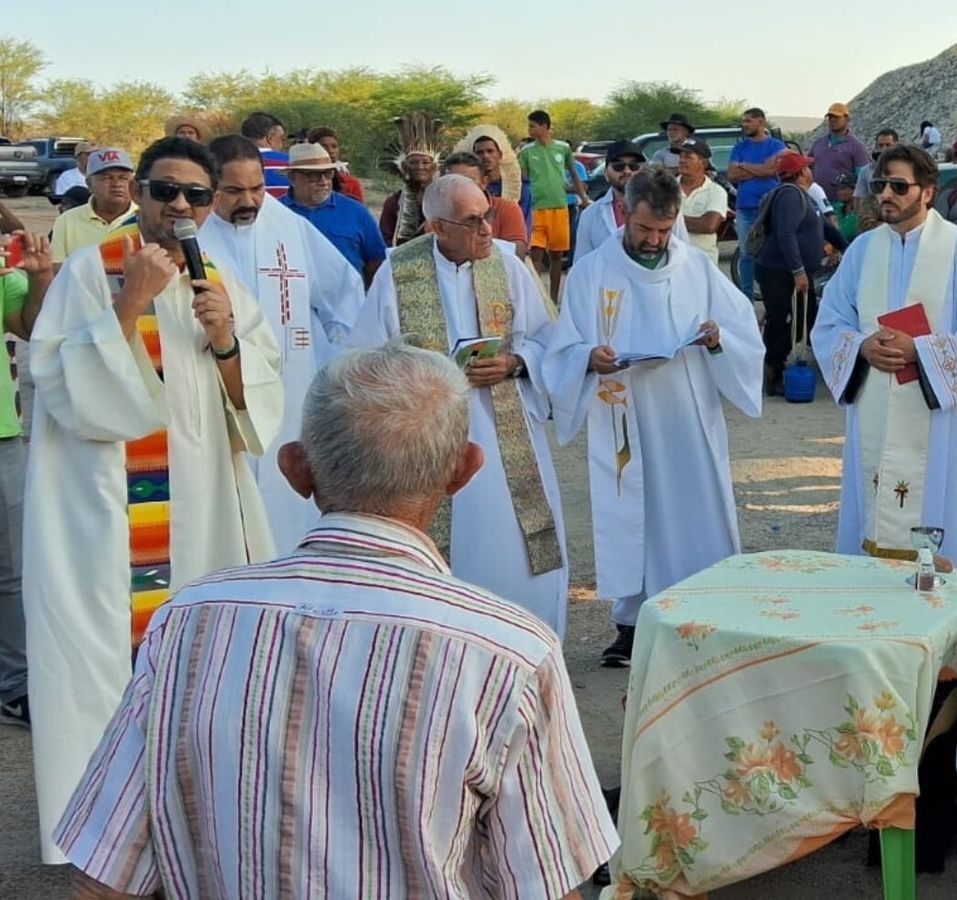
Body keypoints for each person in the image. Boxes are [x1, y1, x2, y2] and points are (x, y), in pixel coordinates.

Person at [53, 342, 618, 898]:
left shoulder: (186, 624)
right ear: (464, 470)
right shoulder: (507, 654)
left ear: (296, 470)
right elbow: (546, 881)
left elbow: (109, 874)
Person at [24, 137, 283, 863]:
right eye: (164, 190)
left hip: (201, 508)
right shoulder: (89, 272)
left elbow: (255, 409)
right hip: (109, 514)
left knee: (200, 667)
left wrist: (227, 339)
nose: (180, 206)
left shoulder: (220, 278)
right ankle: (102, 837)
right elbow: (66, 389)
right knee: (105, 664)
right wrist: (131, 302)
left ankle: (193, 819)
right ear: (138, 192)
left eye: (196, 195)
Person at [545, 167, 762, 666]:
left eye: (664, 230)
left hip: (688, 413)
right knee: (634, 512)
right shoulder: (592, 272)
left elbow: (740, 329)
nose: (654, 239)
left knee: (696, 505)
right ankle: (634, 621)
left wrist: (716, 339)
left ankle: (708, 610)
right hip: (625, 413)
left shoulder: (695, 267)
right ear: (625, 211)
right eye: (645, 229)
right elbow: (564, 345)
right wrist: (587, 358)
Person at [356, 173, 572, 638]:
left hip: (505, 427)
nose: (487, 230)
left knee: (513, 545)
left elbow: (548, 338)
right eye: (472, 221)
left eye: (488, 215)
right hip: (428, 432)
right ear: (437, 227)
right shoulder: (398, 272)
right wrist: (427, 374)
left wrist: (514, 362)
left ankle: (522, 637)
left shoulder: (510, 267)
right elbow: (368, 358)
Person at [811, 144, 957, 614]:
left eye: (899, 186)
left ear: (927, 192)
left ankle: (956, 628)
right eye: (880, 185)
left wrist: (919, 350)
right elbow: (830, 321)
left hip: (942, 419)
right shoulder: (862, 249)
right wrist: (860, 345)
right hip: (878, 405)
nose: (887, 195)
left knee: (949, 511)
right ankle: (872, 616)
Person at [200, 136, 364, 554]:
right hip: (214, 393)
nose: (250, 201)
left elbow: (343, 292)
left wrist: (335, 356)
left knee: (285, 509)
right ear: (210, 184)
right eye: (234, 191)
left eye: (257, 189)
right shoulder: (193, 230)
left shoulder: (287, 226)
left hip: (289, 390)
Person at [0, 231, 51, 726]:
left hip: (0, 432)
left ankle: (14, 684)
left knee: (9, 571)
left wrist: (38, 281)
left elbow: (32, 328)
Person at [755, 153, 849, 395]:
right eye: (807, 167)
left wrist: (851, 252)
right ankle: (772, 369)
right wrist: (798, 271)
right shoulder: (790, 195)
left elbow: (827, 230)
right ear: (802, 172)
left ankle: (774, 364)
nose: (810, 170)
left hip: (790, 270)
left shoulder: (804, 198)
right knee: (782, 319)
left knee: (803, 318)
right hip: (780, 271)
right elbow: (786, 234)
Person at [280, 142, 388, 287]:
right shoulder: (274, 212)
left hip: (348, 305)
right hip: (292, 302)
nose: (323, 181)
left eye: (328, 173)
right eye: (314, 175)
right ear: (293, 177)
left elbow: (377, 262)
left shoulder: (356, 212)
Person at [573, 142, 688, 265]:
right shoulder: (590, 215)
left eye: (634, 166)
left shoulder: (667, 207)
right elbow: (581, 264)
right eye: (619, 166)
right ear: (606, 174)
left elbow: (684, 255)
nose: (627, 171)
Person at [519, 109, 590, 301]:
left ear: (544, 126)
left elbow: (574, 173)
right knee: (535, 255)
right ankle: (535, 298)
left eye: (533, 125)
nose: (530, 129)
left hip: (559, 209)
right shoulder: (526, 151)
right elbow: (521, 178)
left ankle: (553, 299)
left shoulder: (562, 148)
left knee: (557, 256)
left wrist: (583, 197)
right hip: (537, 209)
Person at [728, 108, 789, 298]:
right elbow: (732, 174)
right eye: (743, 121)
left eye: (748, 121)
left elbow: (771, 171)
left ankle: (772, 296)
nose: (744, 125)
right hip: (745, 208)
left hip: (770, 207)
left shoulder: (776, 145)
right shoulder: (740, 147)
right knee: (747, 254)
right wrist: (761, 168)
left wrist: (744, 165)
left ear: (761, 122)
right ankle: (747, 300)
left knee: (771, 253)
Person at [49, 147, 138, 264]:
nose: (116, 184)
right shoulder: (66, 221)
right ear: (89, 184)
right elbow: (57, 271)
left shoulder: (147, 219)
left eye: (123, 178)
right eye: (107, 178)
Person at [442, 151, 529, 257]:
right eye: (453, 182)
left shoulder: (507, 209)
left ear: (484, 182)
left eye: (468, 181)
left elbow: (516, 252)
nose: (460, 187)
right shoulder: (439, 214)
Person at [677, 137, 729, 268]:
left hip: (703, 264)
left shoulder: (716, 191)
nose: (682, 160)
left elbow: (708, 226)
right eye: (681, 155)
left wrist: (668, 219)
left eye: (688, 156)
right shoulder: (664, 188)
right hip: (671, 263)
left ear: (703, 163)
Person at [379, 145, 440, 248]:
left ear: (434, 167)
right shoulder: (394, 202)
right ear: (405, 167)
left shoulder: (444, 199)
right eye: (413, 163)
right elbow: (385, 239)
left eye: (425, 162)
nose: (420, 167)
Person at [811, 103, 871, 204]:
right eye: (830, 117)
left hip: (842, 206)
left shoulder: (856, 147)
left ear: (847, 119)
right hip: (818, 203)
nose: (832, 120)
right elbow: (808, 167)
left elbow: (862, 178)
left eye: (836, 117)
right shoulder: (818, 144)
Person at [305, 125, 364, 203]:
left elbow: (359, 212)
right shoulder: (301, 180)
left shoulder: (351, 183)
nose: (331, 151)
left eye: (334, 146)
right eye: (324, 146)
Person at [240, 111, 289, 199]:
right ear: (270, 137)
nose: (283, 144)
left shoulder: (228, 165)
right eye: (282, 138)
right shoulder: (291, 165)